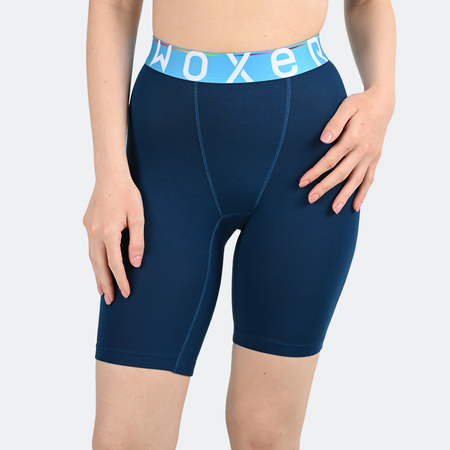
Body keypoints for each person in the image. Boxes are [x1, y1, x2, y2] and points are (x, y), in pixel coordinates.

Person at [83, 0, 396, 448]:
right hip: (166, 159)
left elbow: (366, 3)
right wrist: (110, 172)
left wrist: (383, 94)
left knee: (265, 434)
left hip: (307, 157)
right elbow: (114, 5)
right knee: (125, 439)